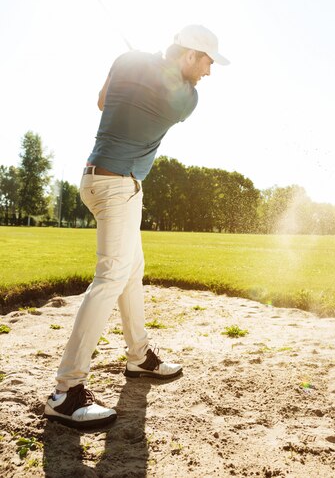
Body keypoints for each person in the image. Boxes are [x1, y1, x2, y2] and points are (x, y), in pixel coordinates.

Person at [44, 24, 230, 428]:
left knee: (131, 272)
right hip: (117, 185)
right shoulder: (188, 99)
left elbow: (102, 100)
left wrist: (139, 66)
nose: (208, 73)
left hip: (99, 181)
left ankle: (139, 356)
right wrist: (152, 73)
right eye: (206, 61)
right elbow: (167, 97)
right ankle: (66, 391)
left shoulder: (126, 61)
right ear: (188, 55)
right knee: (111, 277)